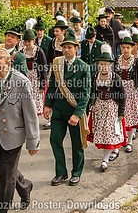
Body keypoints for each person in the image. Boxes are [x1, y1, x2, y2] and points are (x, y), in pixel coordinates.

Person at [0, 49, 39, 213]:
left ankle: (0, 209)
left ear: (9, 64)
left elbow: (30, 115)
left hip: (13, 136)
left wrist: (33, 142)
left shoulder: (22, 82)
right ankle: (25, 186)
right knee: (5, 170)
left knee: (5, 177)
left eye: (0, 68)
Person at [44, 33, 91, 187]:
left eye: (70, 47)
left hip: (74, 110)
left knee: (77, 144)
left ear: (76, 49)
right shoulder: (57, 64)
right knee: (55, 140)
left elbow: (85, 93)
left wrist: (77, 115)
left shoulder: (84, 67)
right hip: (58, 109)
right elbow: (52, 86)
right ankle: (61, 172)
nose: (66, 50)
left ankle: (76, 173)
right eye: (64, 47)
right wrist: (47, 105)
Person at [86, 44, 126, 172]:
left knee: (109, 133)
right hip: (99, 107)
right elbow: (91, 92)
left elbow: (122, 95)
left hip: (111, 107)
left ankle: (105, 160)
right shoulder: (94, 77)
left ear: (110, 65)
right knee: (102, 133)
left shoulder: (115, 77)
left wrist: (121, 112)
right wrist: (88, 108)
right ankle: (114, 149)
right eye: (101, 64)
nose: (103, 67)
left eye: (106, 64)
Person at [113, 31, 138, 155]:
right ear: (120, 48)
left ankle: (129, 142)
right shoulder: (116, 60)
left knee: (131, 118)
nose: (126, 50)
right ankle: (118, 141)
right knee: (118, 116)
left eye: (128, 47)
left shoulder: (136, 61)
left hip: (132, 92)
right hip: (119, 92)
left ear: (132, 48)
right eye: (123, 47)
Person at [20, 28, 47, 116]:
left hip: (36, 81)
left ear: (33, 40)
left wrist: (42, 85)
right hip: (25, 81)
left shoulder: (39, 52)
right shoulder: (21, 52)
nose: (27, 44)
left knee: (35, 104)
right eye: (25, 41)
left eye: (29, 41)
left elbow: (43, 69)